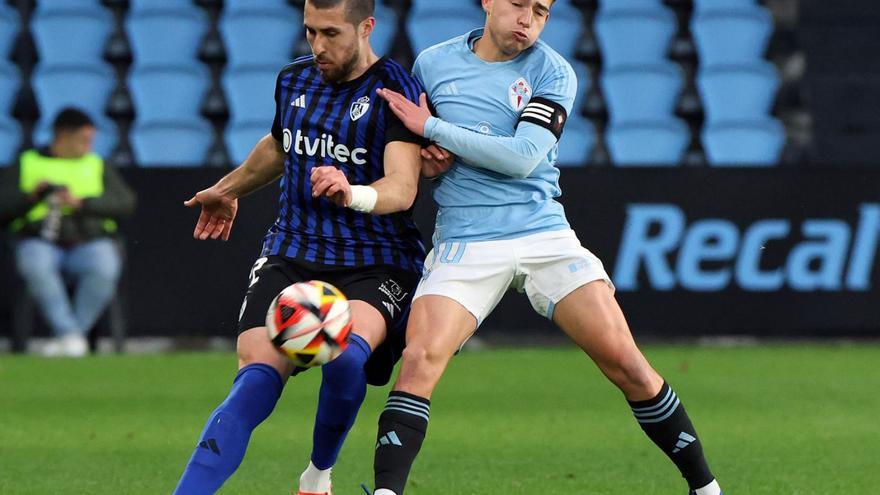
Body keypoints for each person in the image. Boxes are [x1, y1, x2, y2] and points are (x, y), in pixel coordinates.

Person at [368, 1, 724, 494]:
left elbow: (522, 157)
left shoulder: (553, 71)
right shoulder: (433, 63)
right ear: (489, 1)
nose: (528, 20)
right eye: (518, 4)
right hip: (466, 238)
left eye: (541, 11)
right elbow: (420, 159)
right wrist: (428, 158)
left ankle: (706, 489)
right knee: (419, 359)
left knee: (628, 364)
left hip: (543, 235)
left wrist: (433, 128)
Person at [171, 1, 429, 493]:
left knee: (347, 358)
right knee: (253, 382)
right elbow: (280, 143)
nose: (317, 45)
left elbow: (403, 187)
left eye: (330, 33)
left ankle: (317, 475)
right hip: (293, 251)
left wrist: (352, 192)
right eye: (310, 31)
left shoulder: (396, 89)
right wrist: (228, 189)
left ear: (366, 27)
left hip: (375, 259)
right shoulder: (294, 79)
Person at [0, 107, 135, 357]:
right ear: (62, 136)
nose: (89, 146)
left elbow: (126, 203)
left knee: (105, 265)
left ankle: (69, 338)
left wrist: (82, 203)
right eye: (84, 140)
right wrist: (32, 197)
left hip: (89, 241)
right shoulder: (27, 162)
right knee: (35, 264)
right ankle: (73, 337)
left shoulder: (97, 164)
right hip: (40, 241)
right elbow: (3, 205)